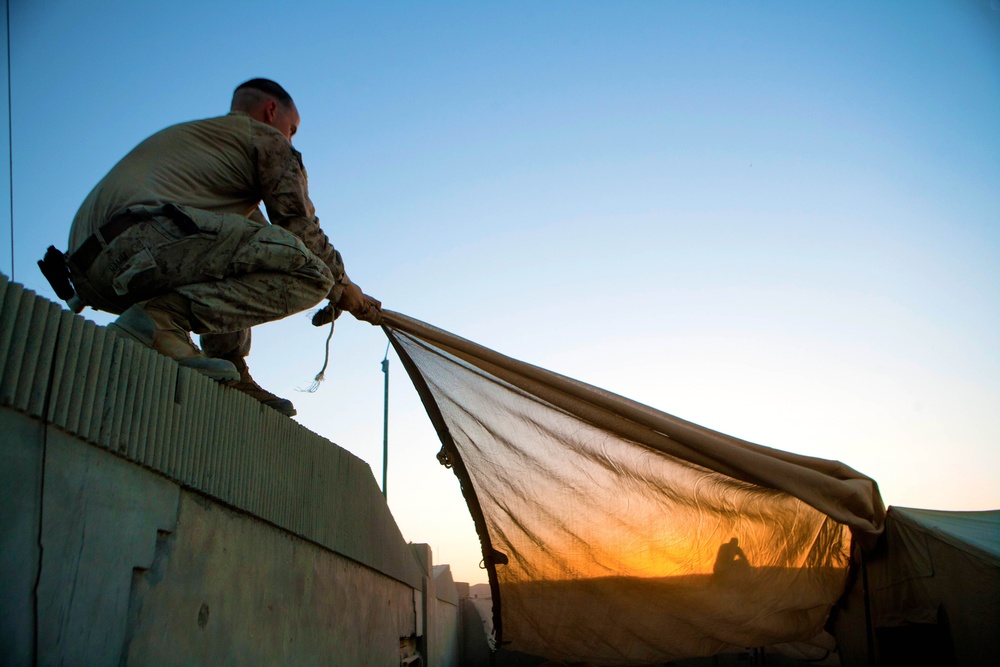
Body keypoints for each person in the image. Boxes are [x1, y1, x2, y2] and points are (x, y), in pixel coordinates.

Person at [64, 78, 381, 416]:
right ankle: (160, 321)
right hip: (137, 243)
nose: (289, 138)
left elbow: (260, 249)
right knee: (312, 273)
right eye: (292, 129)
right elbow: (299, 229)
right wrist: (342, 285)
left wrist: (340, 291)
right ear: (271, 110)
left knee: (257, 252)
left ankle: (226, 361)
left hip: (93, 274)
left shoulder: (211, 151)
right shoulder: (266, 139)